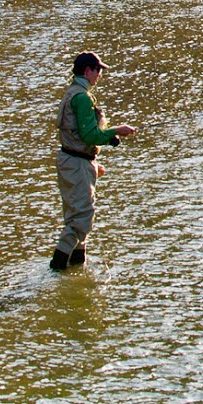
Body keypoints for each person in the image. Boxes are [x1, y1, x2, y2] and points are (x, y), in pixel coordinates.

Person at [51, 52, 137, 272]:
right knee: (82, 218)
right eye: (97, 70)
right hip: (77, 163)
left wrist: (99, 152)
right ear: (87, 71)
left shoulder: (72, 93)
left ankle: (76, 267)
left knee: (75, 216)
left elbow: (79, 135)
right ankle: (57, 267)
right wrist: (117, 130)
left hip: (72, 160)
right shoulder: (81, 97)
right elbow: (89, 136)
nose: (99, 75)